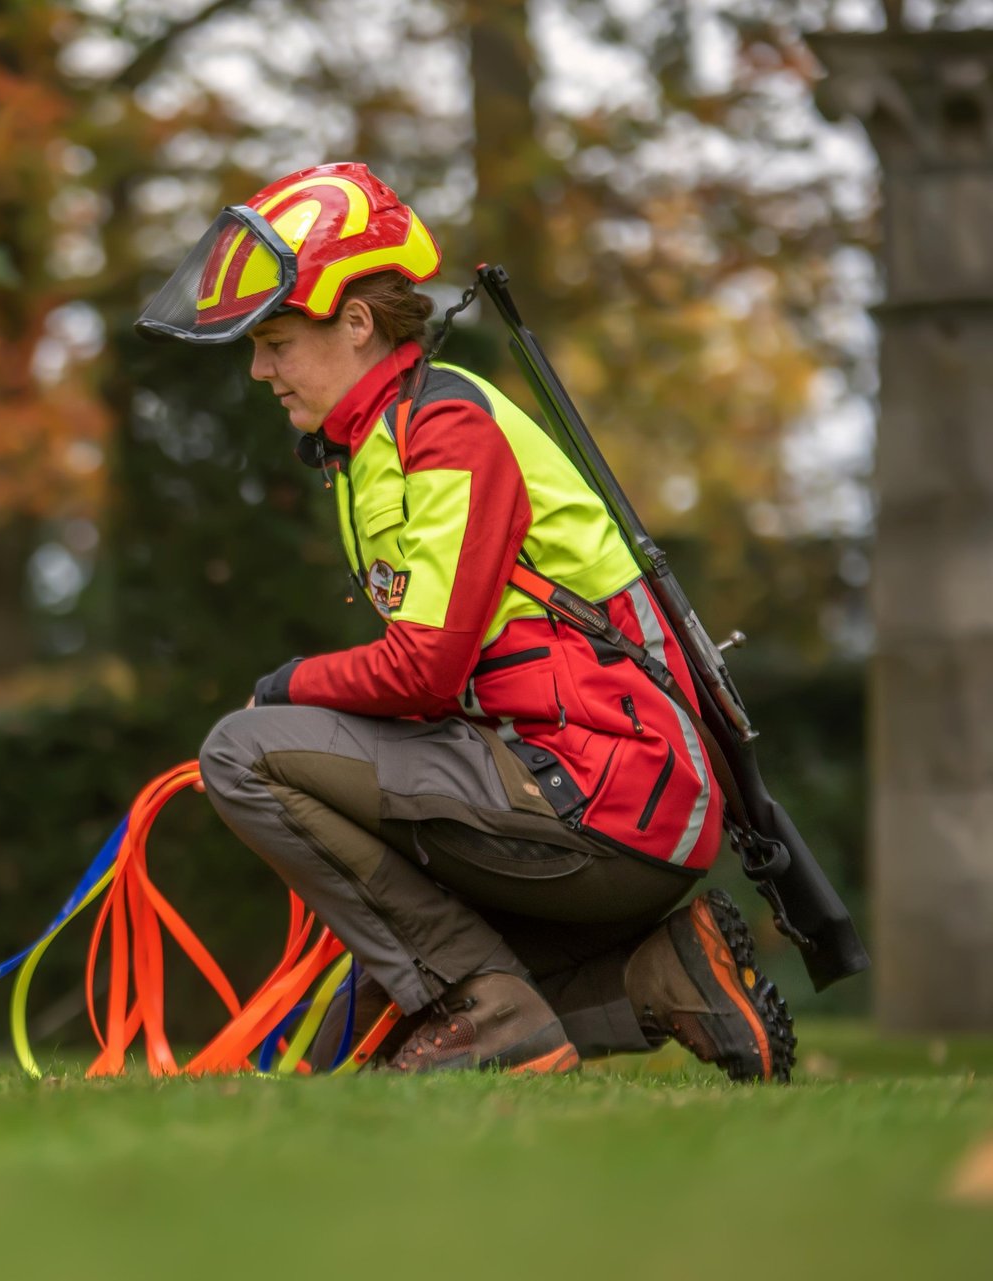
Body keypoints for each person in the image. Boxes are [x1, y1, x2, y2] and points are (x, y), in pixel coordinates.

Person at [137, 162, 794, 1079]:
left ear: (357, 324)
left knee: (243, 754)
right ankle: (663, 974)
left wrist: (279, 689)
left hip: (598, 790)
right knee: (356, 1053)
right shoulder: (377, 442)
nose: (260, 369)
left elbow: (425, 672)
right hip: (606, 797)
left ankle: (487, 1010)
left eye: (278, 341)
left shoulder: (445, 429)